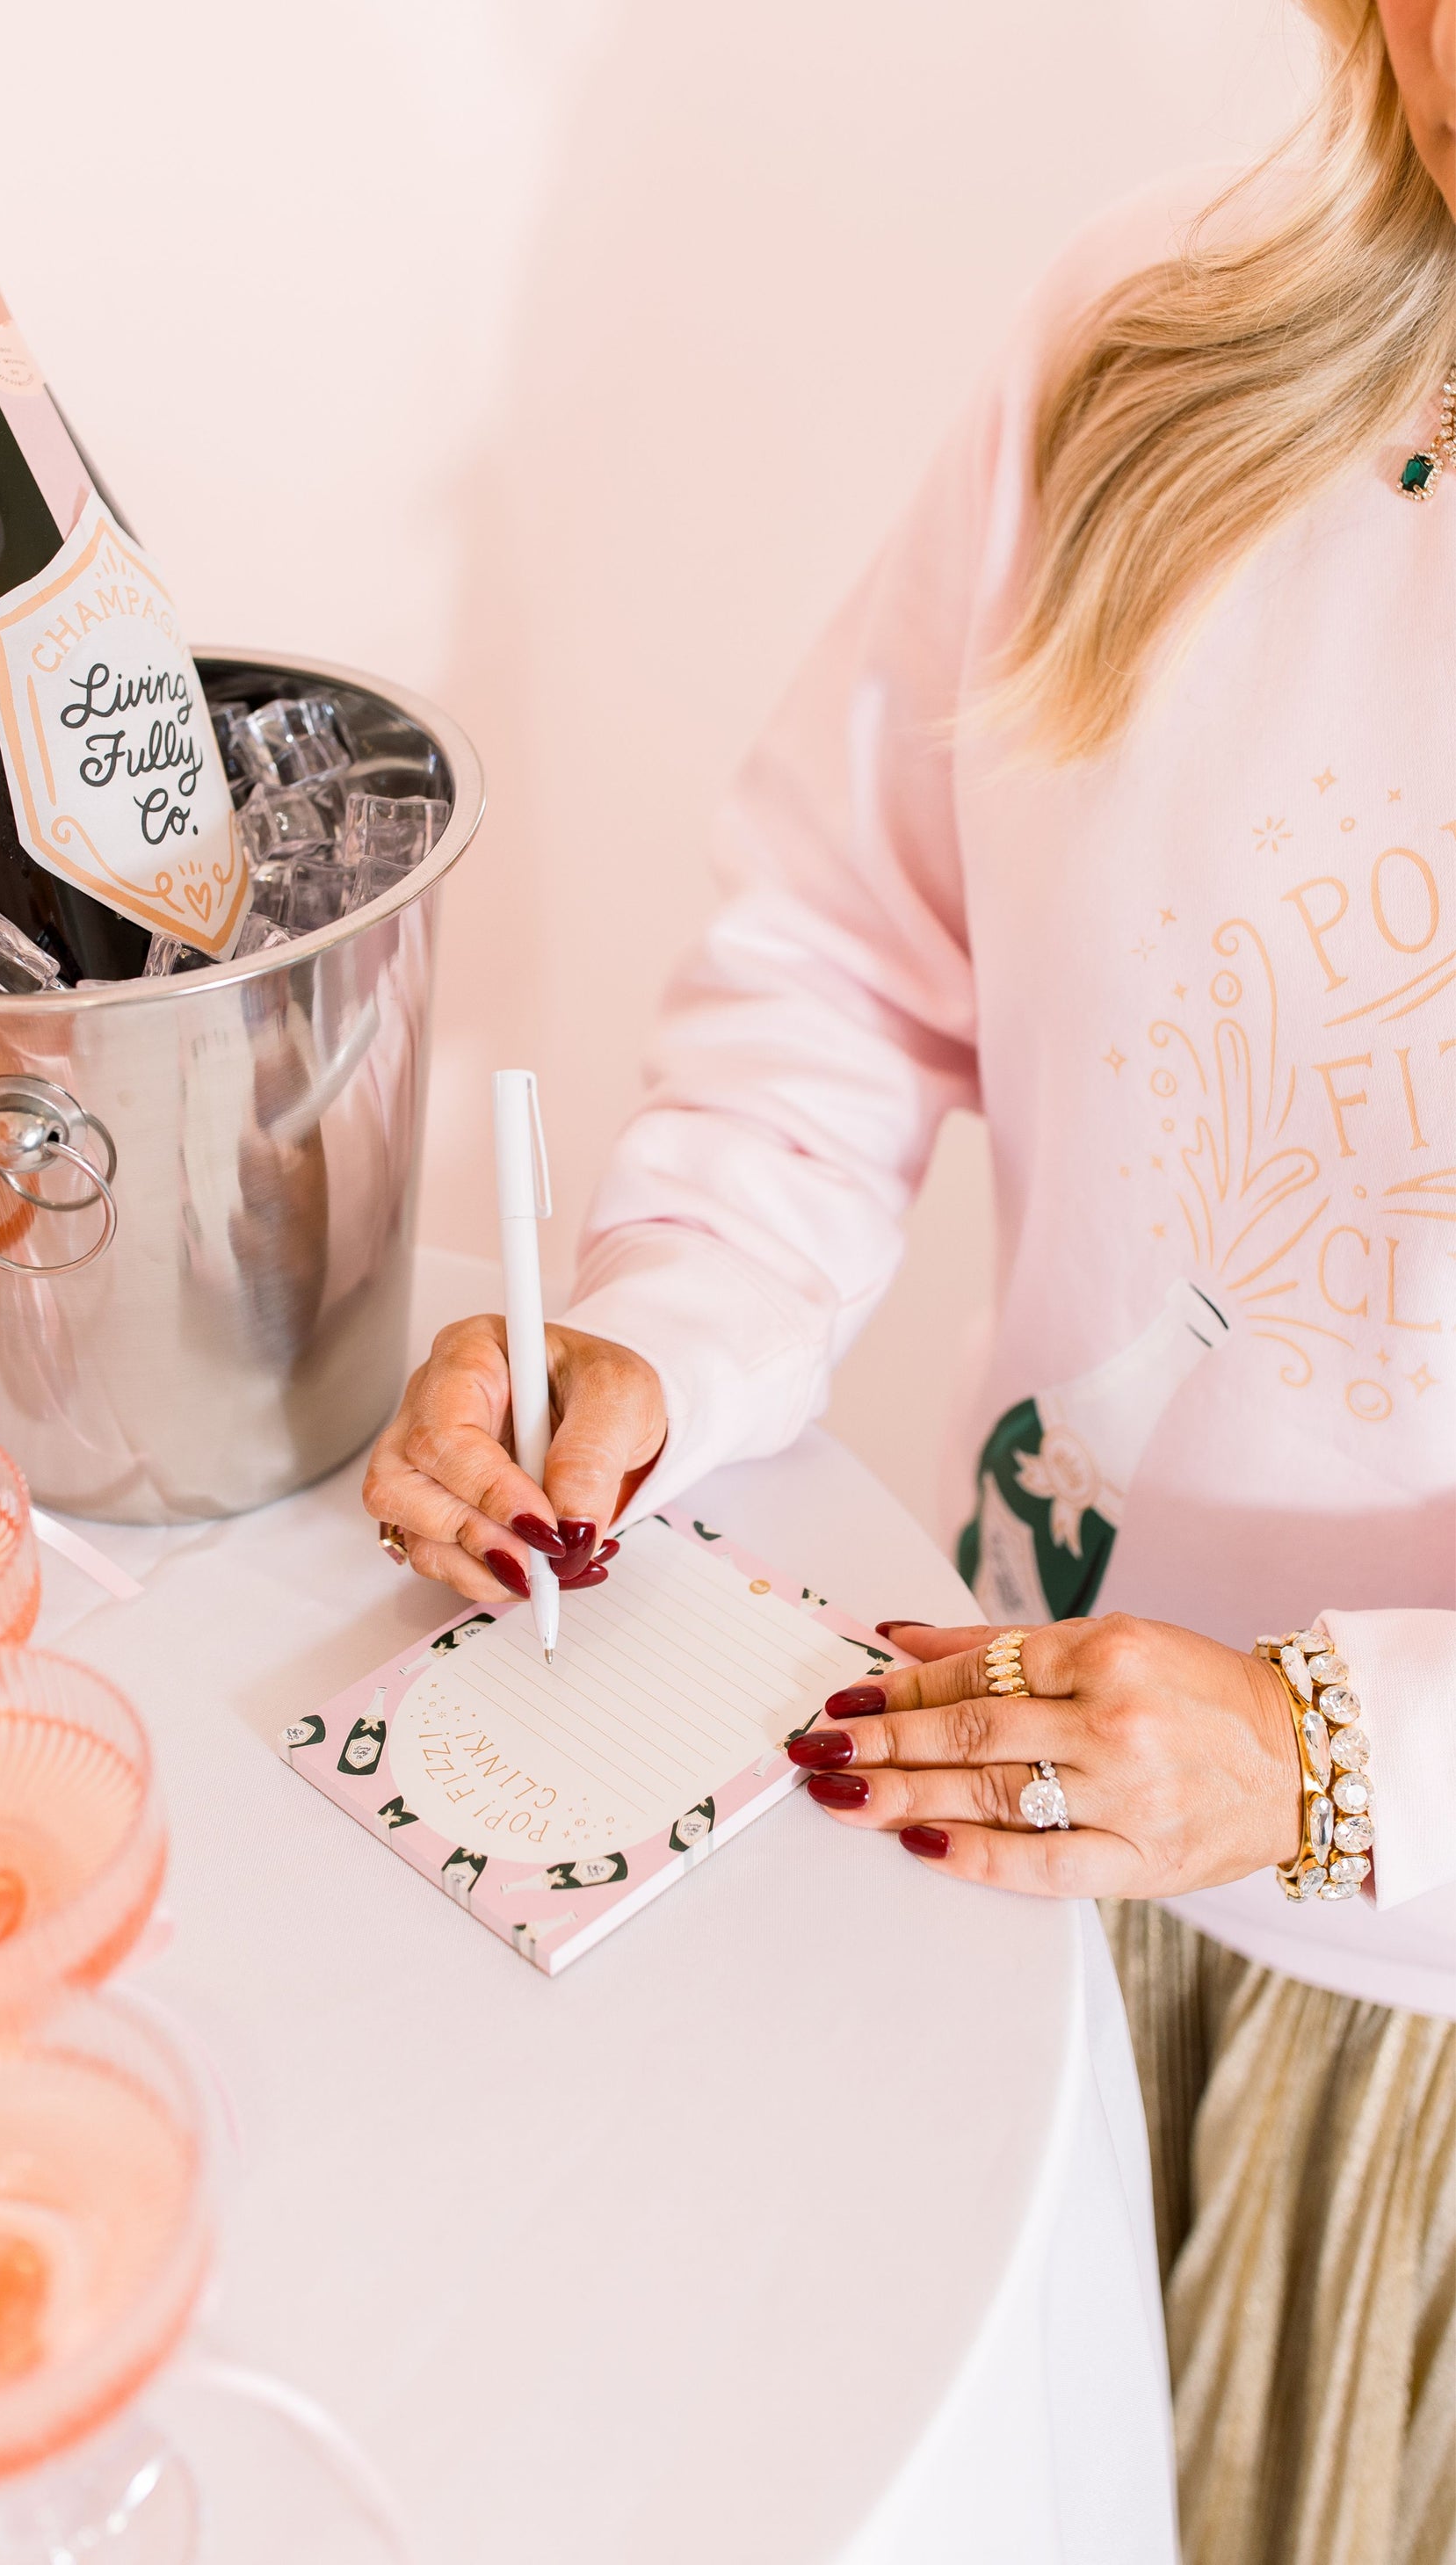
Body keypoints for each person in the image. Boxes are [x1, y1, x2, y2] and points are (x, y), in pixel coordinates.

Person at [364, 4, 1456, 2554]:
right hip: (995, 1809)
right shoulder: (1144, 358)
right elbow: (855, 960)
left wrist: (1324, 1762)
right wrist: (665, 1319)